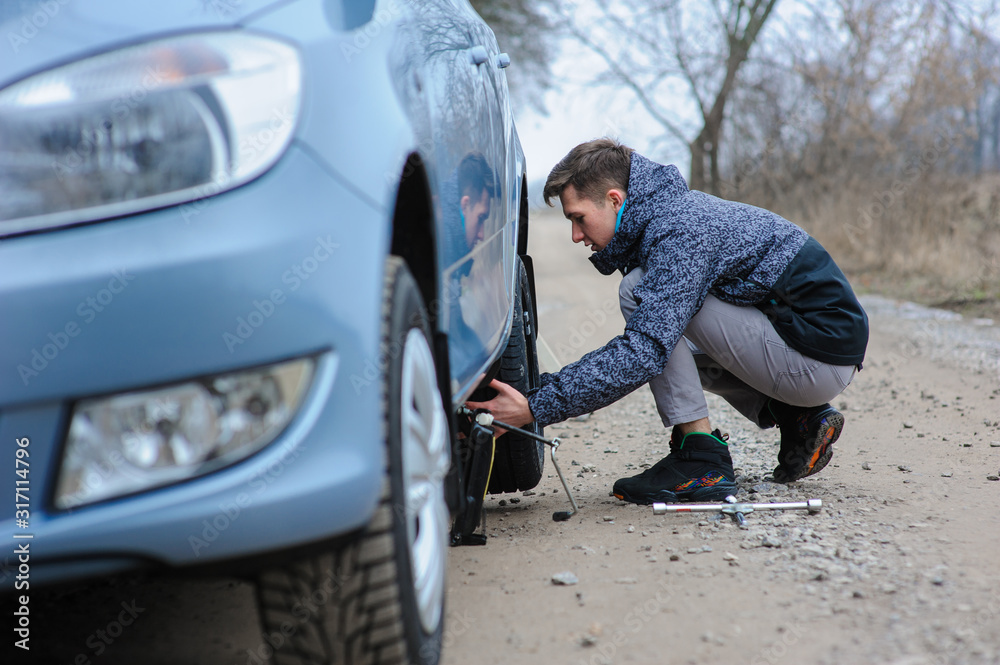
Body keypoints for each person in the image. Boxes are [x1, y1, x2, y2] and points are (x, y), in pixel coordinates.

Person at [466, 138, 868, 505]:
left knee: (644, 301)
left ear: (614, 199)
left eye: (579, 218)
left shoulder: (680, 230)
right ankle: (795, 416)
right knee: (661, 316)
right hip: (806, 349)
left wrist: (536, 406)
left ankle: (701, 459)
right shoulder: (669, 217)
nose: (575, 235)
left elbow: (643, 352)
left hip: (817, 357)